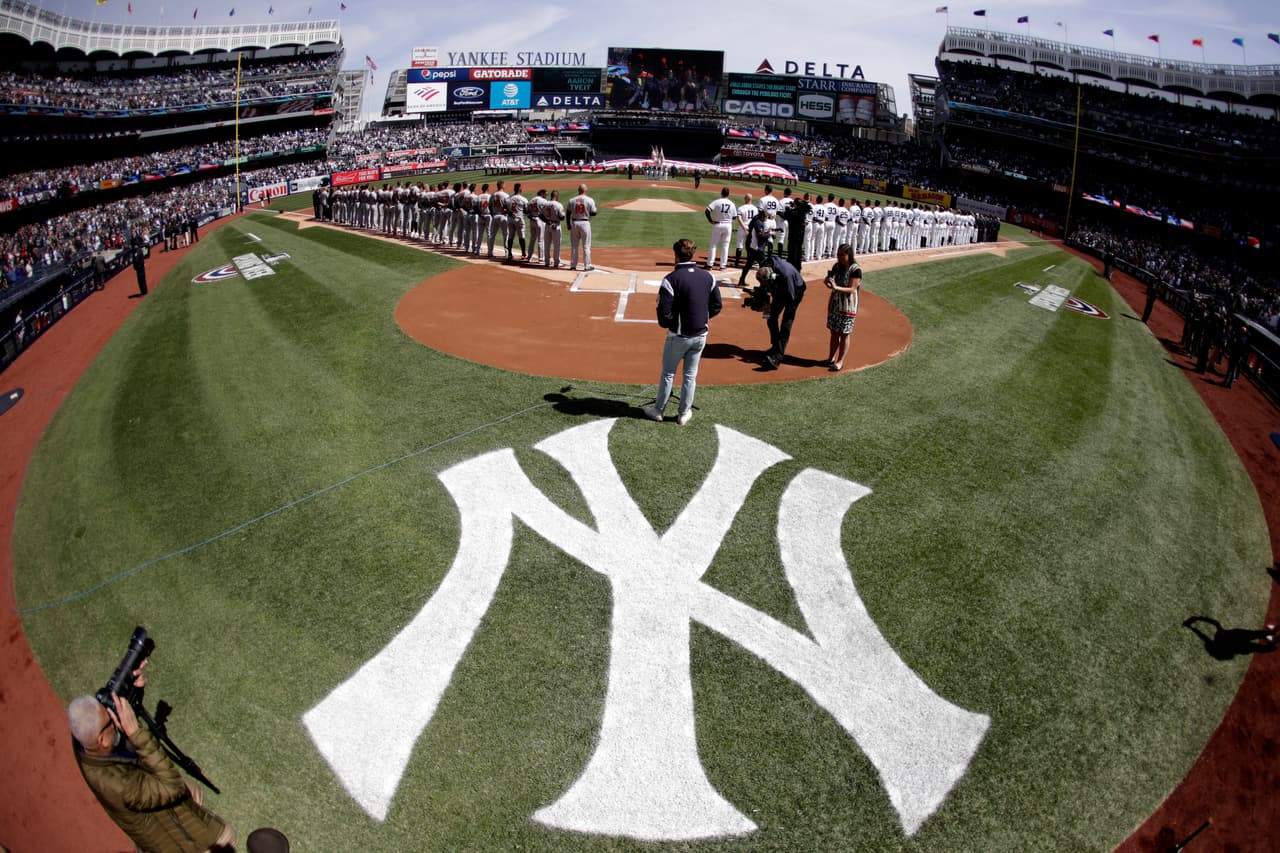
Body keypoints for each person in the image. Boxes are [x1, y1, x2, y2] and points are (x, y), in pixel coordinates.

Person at [67, 663, 236, 852]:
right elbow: (172, 787)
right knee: (226, 836)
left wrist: (135, 693)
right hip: (170, 837)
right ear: (102, 740)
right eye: (109, 719)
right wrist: (136, 733)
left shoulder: (83, 742)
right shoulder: (120, 787)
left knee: (193, 791)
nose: (114, 717)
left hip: (143, 803)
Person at [643, 238, 722, 425]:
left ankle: (658, 410)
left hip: (678, 336)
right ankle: (684, 413)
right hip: (701, 335)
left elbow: (664, 315)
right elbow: (717, 305)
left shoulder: (671, 279)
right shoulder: (708, 277)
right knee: (690, 376)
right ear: (692, 254)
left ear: (676, 254)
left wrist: (675, 322)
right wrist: (700, 317)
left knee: (668, 373)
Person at [754, 256, 806, 370]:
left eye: (766, 283)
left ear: (772, 278)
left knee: (786, 323)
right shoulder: (765, 265)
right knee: (769, 317)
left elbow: (789, 299)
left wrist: (774, 300)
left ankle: (778, 357)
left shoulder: (786, 276)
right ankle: (775, 346)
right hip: (780, 288)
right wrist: (764, 305)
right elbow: (766, 290)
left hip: (795, 292)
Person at [822, 244, 862, 372]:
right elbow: (832, 282)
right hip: (835, 303)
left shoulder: (856, 270)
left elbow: (852, 289)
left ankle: (840, 361)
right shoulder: (837, 266)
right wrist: (828, 282)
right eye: (838, 254)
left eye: (841, 255)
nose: (838, 257)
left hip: (848, 305)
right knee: (834, 331)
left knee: (844, 333)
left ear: (848, 255)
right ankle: (830, 358)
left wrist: (836, 288)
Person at [737, 208, 773, 287]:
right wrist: (769, 234)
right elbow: (760, 236)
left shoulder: (755, 220)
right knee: (764, 265)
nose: (767, 219)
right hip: (755, 248)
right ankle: (764, 284)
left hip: (751, 246)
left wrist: (766, 232)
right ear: (763, 216)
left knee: (749, 264)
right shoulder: (759, 223)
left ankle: (741, 280)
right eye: (766, 217)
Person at [704, 187, 736, 271]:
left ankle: (709, 264)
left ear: (721, 193)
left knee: (713, 245)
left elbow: (707, 211)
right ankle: (722, 266)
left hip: (718, 224)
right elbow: (734, 217)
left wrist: (711, 221)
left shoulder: (717, 201)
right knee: (725, 246)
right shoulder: (732, 203)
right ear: (728, 194)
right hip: (728, 225)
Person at [567, 183, 597, 271]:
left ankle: (573, 265)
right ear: (585, 190)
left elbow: (568, 213)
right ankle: (587, 266)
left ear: (578, 190)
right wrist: (588, 213)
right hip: (585, 223)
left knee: (574, 245)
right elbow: (594, 212)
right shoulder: (589, 200)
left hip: (575, 223)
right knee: (586, 246)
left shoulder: (572, 200)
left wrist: (568, 224)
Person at [541, 189, 565, 268]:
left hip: (547, 225)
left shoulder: (546, 204)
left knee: (547, 244)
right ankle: (556, 263)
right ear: (556, 196)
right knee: (556, 245)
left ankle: (547, 262)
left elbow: (540, 215)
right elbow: (562, 217)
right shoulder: (558, 205)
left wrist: (547, 221)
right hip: (556, 226)